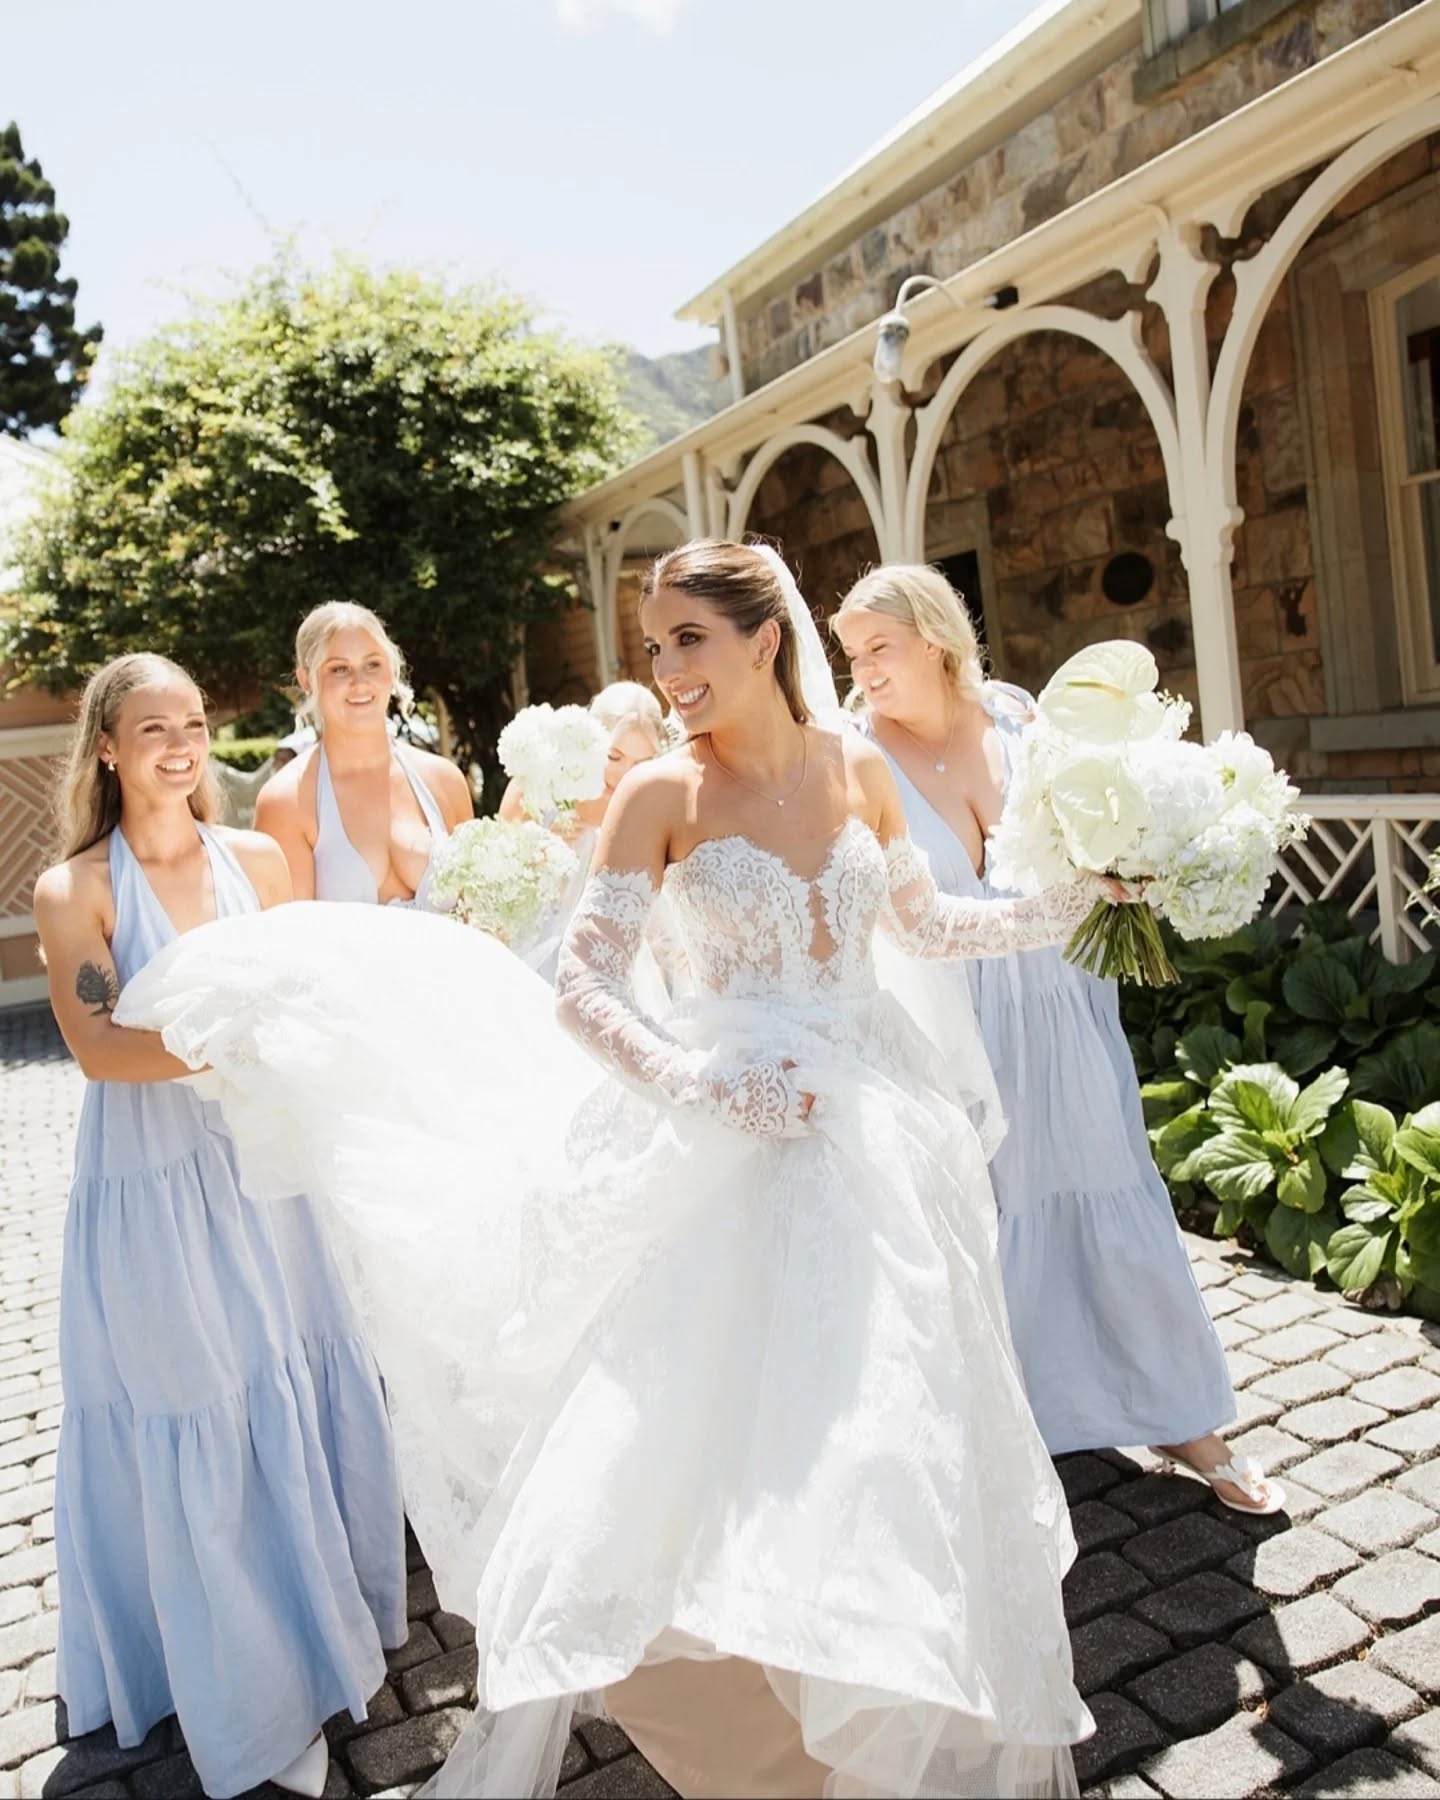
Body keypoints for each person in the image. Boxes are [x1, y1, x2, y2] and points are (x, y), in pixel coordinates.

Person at [114, 541, 1118, 1798]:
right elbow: (583, 989)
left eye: (688, 638)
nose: (668, 668)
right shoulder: (660, 795)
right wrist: (707, 1084)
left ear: (765, 638)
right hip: (725, 1140)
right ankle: (759, 1741)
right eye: (655, 648)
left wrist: (1074, 900)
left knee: (884, 1443)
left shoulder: (856, 766)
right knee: (700, 1452)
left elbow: (922, 925)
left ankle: (883, 1704)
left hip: (880, 1131)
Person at [32, 653, 408, 1800]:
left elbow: (313, 992)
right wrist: (242, 1044)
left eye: (194, 724)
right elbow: (101, 1050)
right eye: (154, 728)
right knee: (197, 1393)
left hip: (267, 1176)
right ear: (107, 746)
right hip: (154, 1184)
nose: (181, 745)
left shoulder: (253, 858)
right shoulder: (74, 891)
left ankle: (319, 1627)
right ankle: (244, 1690)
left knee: (289, 1370)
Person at [832, 564, 1280, 1515]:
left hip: (1063, 1000)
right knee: (991, 1212)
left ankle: (1182, 1414)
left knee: (1106, 1177)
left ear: (937, 641)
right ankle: (1014, 1423)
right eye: (852, 654)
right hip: (953, 1012)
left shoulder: (1016, 719)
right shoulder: (854, 755)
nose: (862, 670)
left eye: (880, 648)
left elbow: (1098, 829)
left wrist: (1136, 862)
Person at [255, 601, 472, 903]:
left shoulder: (444, 780)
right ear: (306, 680)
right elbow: (293, 940)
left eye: (373, 664)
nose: (360, 683)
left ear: (391, 669)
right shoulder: (285, 801)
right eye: (339, 669)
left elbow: (478, 911)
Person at [499, 682, 669, 984]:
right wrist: (539, 847)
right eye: (614, 757)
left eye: (641, 763)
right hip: (532, 958)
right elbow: (497, 871)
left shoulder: (647, 811)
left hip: (609, 965)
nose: (624, 775)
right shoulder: (540, 787)